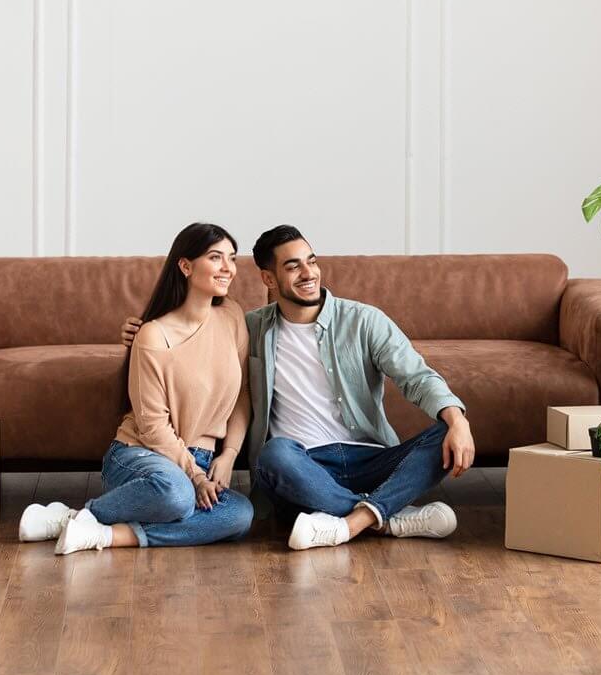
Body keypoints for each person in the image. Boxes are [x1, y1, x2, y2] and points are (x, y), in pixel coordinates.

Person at [122, 224, 475, 551]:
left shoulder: (364, 321)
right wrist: (143, 333)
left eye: (312, 261)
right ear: (268, 278)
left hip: (370, 456)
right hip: (301, 465)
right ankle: (389, 515)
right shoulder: (249, 327)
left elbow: (418, 377)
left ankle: (354, 521)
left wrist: (457, 421)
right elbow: (194, 340)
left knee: (446, 428)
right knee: (274, 453)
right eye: (293, 267)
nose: (309, 274)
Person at [20, 222, 254, 554]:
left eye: (232, 258)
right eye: (216, 258)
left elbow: (243, 393)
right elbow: (152, 426)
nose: (228, 268)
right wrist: (194, 476)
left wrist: (228, 455)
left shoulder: (231, 316)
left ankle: (101, 532)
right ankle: (83, 515)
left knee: (240, 515)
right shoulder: (153, 335)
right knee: (176, 495)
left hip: (202, 458)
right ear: (185, 266)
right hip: (143, 454)